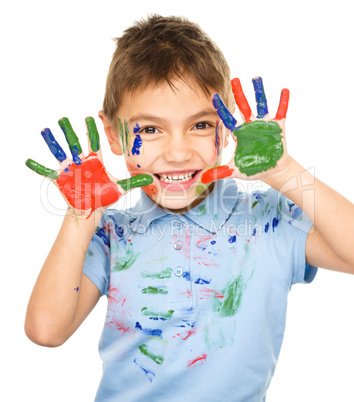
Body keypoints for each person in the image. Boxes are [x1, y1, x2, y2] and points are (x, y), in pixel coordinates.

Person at [24, 14, 354, 402]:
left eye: (200, 125)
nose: (178, 153)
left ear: (227, 127)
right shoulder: (112, 235)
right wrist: (81, 216)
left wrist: (284, 172)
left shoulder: (266, 221)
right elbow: (47, 330)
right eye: (149, 129)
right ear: (113, 135)